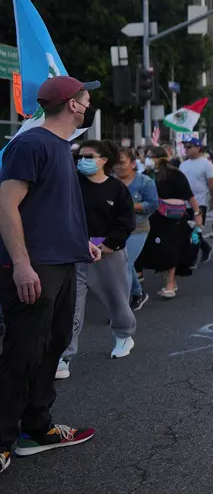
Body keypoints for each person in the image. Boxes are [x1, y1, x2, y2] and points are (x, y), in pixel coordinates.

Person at [0, 75, 102, 470]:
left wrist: (82, 243)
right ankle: (3, 439)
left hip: (63, 262)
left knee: (54, 344)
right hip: (34, 266)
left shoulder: (62, 147)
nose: (89, 102)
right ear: (73, 105)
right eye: (86, 98)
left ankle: (36, 428)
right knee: (23, 351)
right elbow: (7, 207)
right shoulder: (30, 143)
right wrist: (22, 265)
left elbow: (55, 207)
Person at [59, 140, 137, 377]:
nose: (82, 160)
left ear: (104, 160)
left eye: (88, 156)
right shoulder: (73, 185)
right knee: (72, 305)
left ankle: (124, 336)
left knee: (116, 299)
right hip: (76, 252)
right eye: (80, 156)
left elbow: (126, 221)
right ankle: (64, 355)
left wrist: (108, 244)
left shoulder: (116, 188)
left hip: (108, 253)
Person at [135, 146, 203, 299]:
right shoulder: (145, 175)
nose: (147, 159)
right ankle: (140, 279)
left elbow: (189, 196)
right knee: (150, 249)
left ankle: (170, 283)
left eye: (151, 156)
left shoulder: (175, 174)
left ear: (160, 158)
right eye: (146, 156)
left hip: (172, 219)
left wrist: (198, 213)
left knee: (171, 249)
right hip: (151, 219)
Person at [113, 146, 157, 312]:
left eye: (122, 162)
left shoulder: (145, 182)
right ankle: (138, 293)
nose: (118, 165)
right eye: (116, 162)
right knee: (123, 264)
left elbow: (153, 204)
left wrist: (130, 205)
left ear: (133, 164)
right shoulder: (110, 181)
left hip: (138, 228)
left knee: (123, 265)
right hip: (114, 230)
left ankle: (120, 308)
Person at [178, 138, 213, 263]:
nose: (187, 149)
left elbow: (212, 186)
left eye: (189, 147)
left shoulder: (206, 164)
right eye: (186, 147)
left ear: (198, 148)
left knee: (196, 230)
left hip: (200, 203)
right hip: (185, 203)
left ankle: (192, 258)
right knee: (187, 230)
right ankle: (206, 247)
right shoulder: (183, 164)